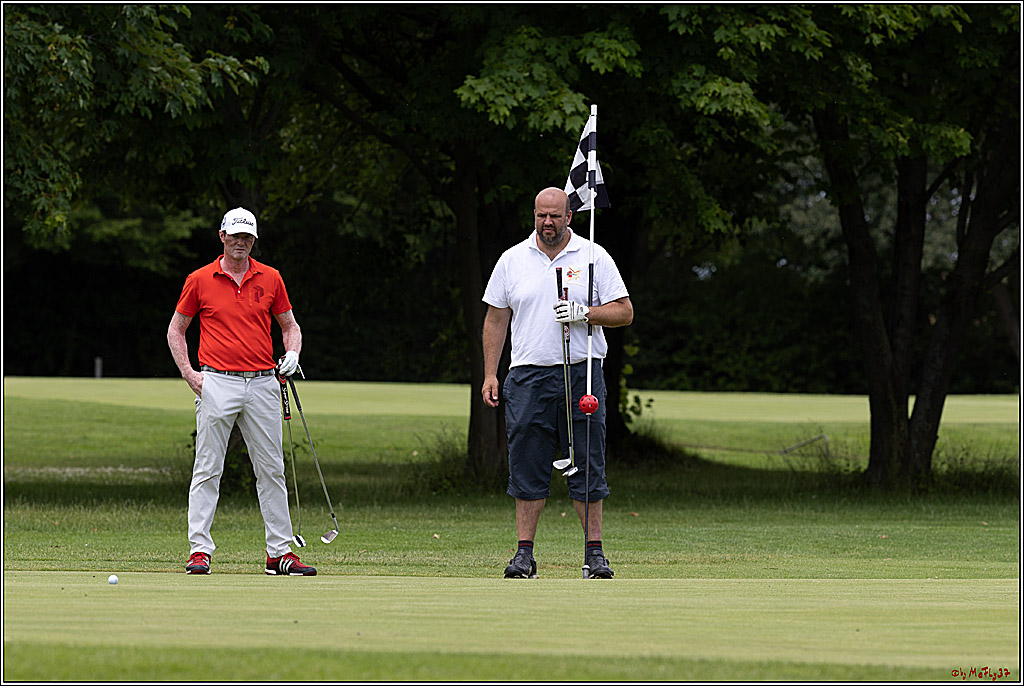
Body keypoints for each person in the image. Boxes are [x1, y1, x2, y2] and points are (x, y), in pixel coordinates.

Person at [481, 187, 633, 579]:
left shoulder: (593, 255)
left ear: (570, 216)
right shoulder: (512, 259)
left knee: (587, 461)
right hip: (528, 374)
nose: (547, 223)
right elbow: (496, 319)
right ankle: (524, 554)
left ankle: (595, 553)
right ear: (534, 215)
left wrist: (585, 313)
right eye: (540, 216)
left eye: (555, 216)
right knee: (527, 462)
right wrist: (490, 373)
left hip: (581, 371)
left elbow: (624, 312)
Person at [167, 207, 316, 576]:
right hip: (216, 380)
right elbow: (176, 330)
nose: (240, 242)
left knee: (271, 469)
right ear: (222, 236)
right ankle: (199, 550)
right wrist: (190, 374)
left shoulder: (271, 278)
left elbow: (289, 326)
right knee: (208, 467)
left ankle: (279, 553)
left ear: (254, 240)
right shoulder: (200, 279)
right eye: (235, 235)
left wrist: (293, 353)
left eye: (247, 237)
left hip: (264, 382)